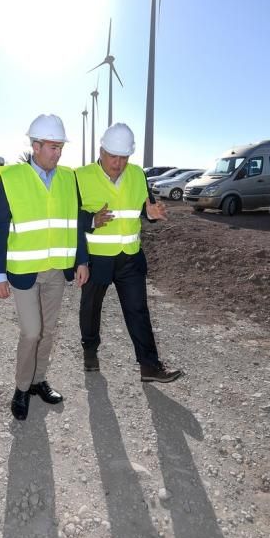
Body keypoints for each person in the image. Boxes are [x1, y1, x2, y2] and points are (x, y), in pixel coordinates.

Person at [0, 114, 89, 421]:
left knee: (48, 332)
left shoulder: (68, 178)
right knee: (32, 332)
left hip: (57, 270)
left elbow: (76, 222)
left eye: (60, 147)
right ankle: (21, 388)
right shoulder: (12, 177)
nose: (57, 153)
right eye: (51, 147)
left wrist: (81, 259)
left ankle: (37, 381)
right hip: (23, 272)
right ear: (35, 145)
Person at [75, 123, 183, 383]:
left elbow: (144, 209)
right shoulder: (80, 176)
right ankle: (90, 351)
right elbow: (70, 218)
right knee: (91, 309)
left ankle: (149, 366)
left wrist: (152, 215)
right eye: (113, 156)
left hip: (130, 257)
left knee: (138, 310)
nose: (118, 163)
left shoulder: (137, 174)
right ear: (101, 151)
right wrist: (90, 220)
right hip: (97, 258)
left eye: (124, 157)